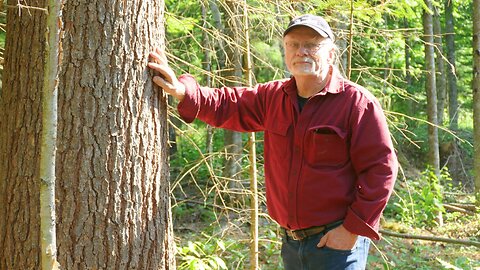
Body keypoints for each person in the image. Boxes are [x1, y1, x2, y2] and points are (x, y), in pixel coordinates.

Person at [148, 14, 398, 270]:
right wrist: (182, 91)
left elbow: (381, 169)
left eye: (312, 44)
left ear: (331, 54)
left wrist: (352, 229)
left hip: (336, 245)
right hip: (291, 244)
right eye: (293, 44)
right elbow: (226, 104)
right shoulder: (273, 98)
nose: (301, 51)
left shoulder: (356, 103)